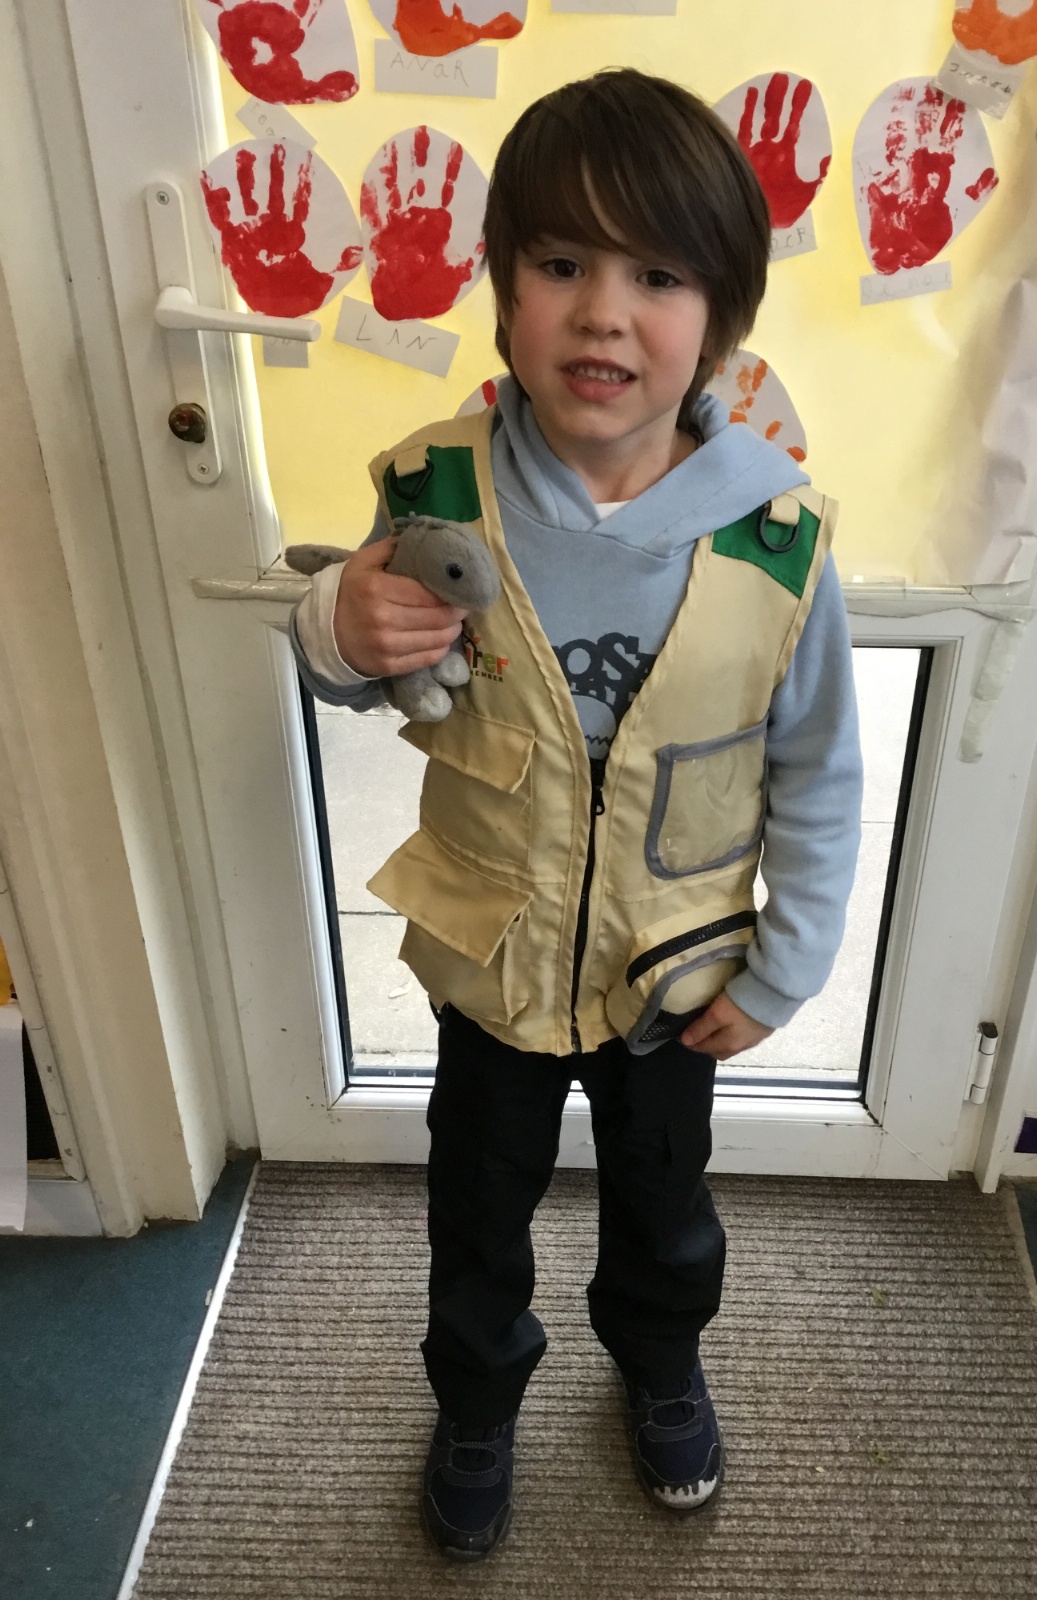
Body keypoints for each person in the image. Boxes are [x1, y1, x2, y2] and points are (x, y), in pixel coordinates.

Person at [291, 68, 862, 1561]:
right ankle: (477, 1400)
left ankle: (660, 1363)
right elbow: (365, 674)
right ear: (502, 290)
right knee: (476, 1210)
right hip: (495, 961)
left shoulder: (778, 540)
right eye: (560, 264)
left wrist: (787, 965)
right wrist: (338, 623)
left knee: (666, 1205)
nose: (604, 315)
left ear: (721, 317)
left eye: (657, 276)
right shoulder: (436, 488)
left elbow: (819, 768)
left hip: (675, 975)